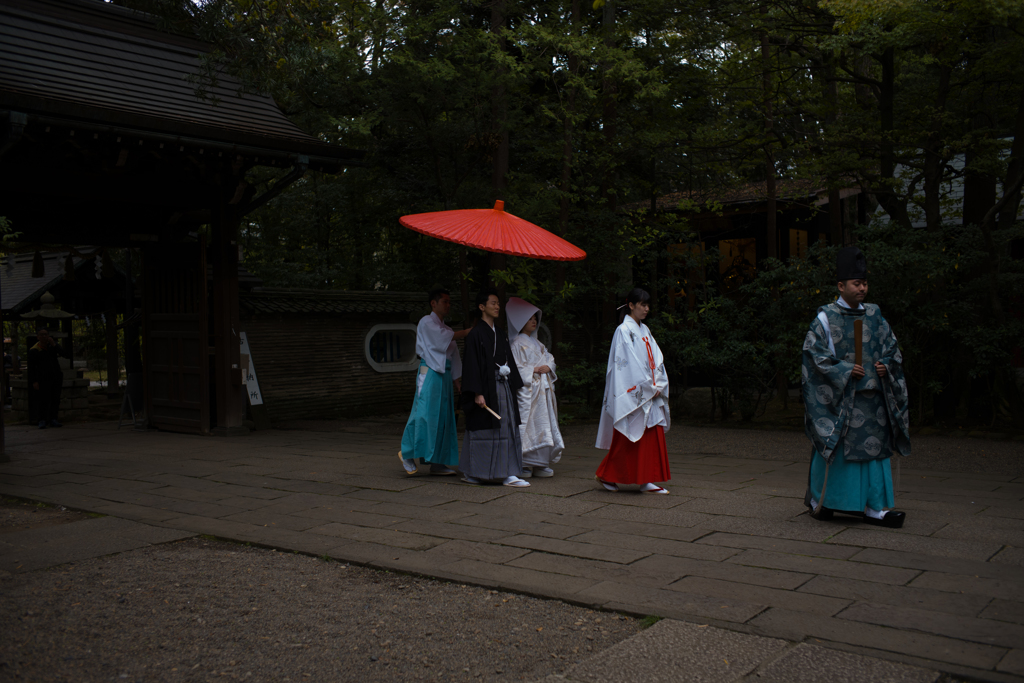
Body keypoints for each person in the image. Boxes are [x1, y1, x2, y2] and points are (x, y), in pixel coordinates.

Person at [802, 246, 911, 528]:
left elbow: (893, 349)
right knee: (832, 445)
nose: (862, 288)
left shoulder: (876, 315)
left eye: (864, 283)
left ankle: (875, 507)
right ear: (841, 285)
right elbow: (814, 357)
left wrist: (887, 365)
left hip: (874, 399)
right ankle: (821, 500)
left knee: (875, 453)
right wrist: (844, 370)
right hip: (841, 401)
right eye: (856, 283)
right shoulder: (826, 317)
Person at [594, 288, 671, 493]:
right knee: (629, 437)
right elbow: (626, 365)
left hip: (649, 389)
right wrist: (646, 386)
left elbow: (656, 358)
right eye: (642, 305)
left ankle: (646, 479)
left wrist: (658, 383)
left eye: (648, 305)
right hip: (635, 390)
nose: (646, 309)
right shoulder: (623, 330)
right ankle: (608, 475)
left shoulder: (644, 330)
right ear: (631, 305)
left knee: (649, 434)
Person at [459, 290, 529, 487]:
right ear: (482, 307)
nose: (497, 307)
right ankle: (473, 471)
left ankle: (508, 472)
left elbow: (508, 360)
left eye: (498, 303)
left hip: (502, 385)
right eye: (493, 303)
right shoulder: (475, 334)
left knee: (506, 425)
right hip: (485, 388)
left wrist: (513, 383)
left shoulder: (500, 333)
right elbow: (471, 364)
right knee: (481, 430)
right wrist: (477, 392)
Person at [399, 288, 470, 475]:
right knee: (423, 413)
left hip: (445, 375)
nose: (448, 305)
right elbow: (441, 339)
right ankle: (407, 452)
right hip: (430, 371)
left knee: (444, 418)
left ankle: (438, 462)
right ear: (433, 303)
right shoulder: (426, 322)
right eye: (444, 301)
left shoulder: (446, 328)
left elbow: (453, 355)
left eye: (449, 302)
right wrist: (467, 332)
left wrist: (457, 380)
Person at [506, 297, 564, 478]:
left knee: (544, 423)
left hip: (542, 390)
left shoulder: (538, 344)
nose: (533, 321)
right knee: (528, 423)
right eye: (529, 318)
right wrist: (534, 369)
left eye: (534, 319)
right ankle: (524, 462)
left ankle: (540, 462)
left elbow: (550, 359)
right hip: (528, 389)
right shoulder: (516, 344)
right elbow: (515, 368)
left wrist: (549, 367)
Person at [28, 327, 69, 429]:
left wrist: (54, 344)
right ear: (38, 337)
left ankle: (53, 419)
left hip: (55, 376)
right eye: (41, 335)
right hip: (42, 378)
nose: (44, 336)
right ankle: (42, 419)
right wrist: (34, 381)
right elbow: (32, 367)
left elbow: (65, 354)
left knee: (55, 398)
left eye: (46, 334)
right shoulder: (35, 350)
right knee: (43, 400)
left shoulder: (52, 347)